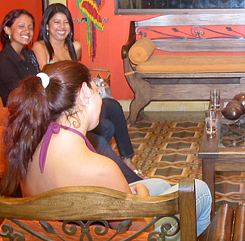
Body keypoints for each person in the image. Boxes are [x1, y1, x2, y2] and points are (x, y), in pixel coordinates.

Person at [0, 61, 211, 235]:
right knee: (199, 190)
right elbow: (141, 232)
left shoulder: (26, 149)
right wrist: (143, 195)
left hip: (63, 232)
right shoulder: (99, 168)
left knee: (161, 184)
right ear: (84, 92)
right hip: (114, 236)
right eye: (95, 88)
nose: (100, 96)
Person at [32, 3, 146, 181]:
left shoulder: (74, 46)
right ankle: (129, 181)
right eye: (56, 22)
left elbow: (79, 78)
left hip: (79, 103)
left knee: (114, 107)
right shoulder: (41, 48)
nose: (62, 27)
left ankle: (128, 160)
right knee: (106, 127)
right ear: (47, 25)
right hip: (62, 107)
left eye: (66, 22)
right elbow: (47, 82)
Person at [0, 9, 39, 106]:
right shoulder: (4, 60)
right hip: (17, 114)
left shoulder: (30, 54)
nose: (27, 31)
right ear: (7, 30)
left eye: (30, 28)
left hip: (35, 108)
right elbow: (18, 94)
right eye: (21, 26)